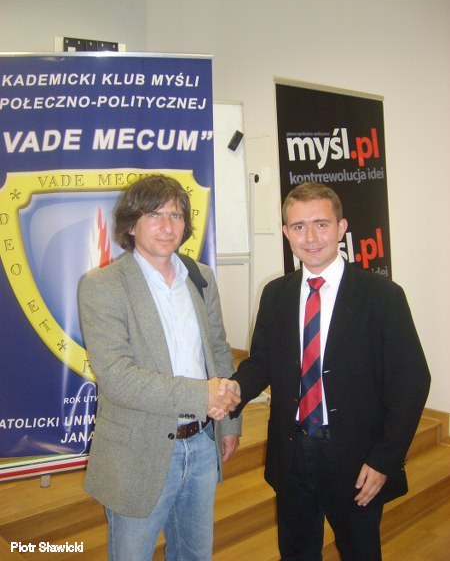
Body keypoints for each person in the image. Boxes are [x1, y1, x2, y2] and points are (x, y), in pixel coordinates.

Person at [226, 182, 430, 560]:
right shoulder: (276, 294)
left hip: (356, 459)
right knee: (296, 552)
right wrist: (232, 392)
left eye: (321, 224)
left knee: (359, 551)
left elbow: (412, 383)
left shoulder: (382, 296)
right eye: (298, 226)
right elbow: (262, 362)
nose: (310, 237)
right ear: (286, 232)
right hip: (292, 453)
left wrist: (385, 459)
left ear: (341, 228)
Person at [78, 174, 241, 561]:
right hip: (138, 449)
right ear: (131, 225)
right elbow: (118, 378)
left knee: (194, 555)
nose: (168, 226)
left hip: (202, 442)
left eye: (176, 215)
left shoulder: (200, 276)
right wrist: (202, 395)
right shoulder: (103, 285)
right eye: (154, 215)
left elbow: (218, 351)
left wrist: (230, 424)